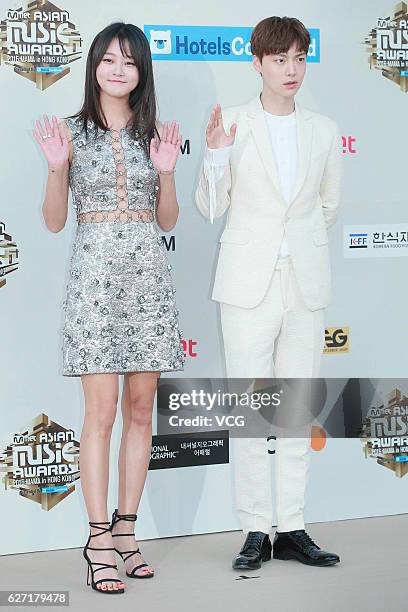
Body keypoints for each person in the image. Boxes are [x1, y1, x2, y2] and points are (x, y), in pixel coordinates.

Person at [33, 22, 184, 594]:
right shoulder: (70, 132)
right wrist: (56, 167)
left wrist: (166, 172)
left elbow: (168, 220)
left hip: (148, 279)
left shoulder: (155, 134)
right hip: (94, 284)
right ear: (94, 65)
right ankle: (97, 539)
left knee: (141, 411)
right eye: (109, 60)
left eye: (130, 61)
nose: (118, 70)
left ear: (142, 70)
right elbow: (52, 222)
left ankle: (127, 530)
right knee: (100, 414)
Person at [195, 16, 341, 570]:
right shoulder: (231, 123)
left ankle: (295, 527)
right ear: (256, 63)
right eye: (280, 59)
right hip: (246, 286)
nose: (292, 70)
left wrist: (295, 245)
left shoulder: (325, 130)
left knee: (297, 407)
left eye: (300, 58)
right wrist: (212, 156)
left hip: (304, 283)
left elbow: (328, 207)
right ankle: (256, 528)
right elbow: (211, 206)